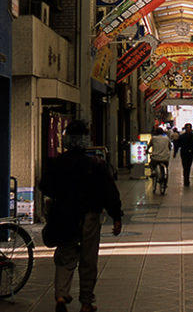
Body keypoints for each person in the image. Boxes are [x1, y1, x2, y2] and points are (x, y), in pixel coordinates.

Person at [39, 119, 123, 312]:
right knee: (88, 260)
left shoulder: (57, 163)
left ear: (67, 139)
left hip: (64, 215)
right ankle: (86, 302)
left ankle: (61, 295)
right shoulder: (96, 164)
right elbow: (110, 193)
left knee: (65, 256)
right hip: (89, 217)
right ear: (86, 140)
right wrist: (116, 216)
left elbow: (44, 186)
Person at [148, 127, 171, 194]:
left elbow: (149, 145)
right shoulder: (166, 138)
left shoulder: (154, 138)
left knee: (152, 164)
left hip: (155, 157)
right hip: (165, 158)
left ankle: (153, 172)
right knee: (166, 167)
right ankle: (165, 181)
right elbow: (169, 147)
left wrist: (147, 150)